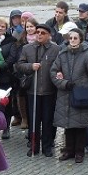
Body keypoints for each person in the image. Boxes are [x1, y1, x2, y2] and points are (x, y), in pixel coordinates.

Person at [51, 27, 88, 163]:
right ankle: (69, 150)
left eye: (75, 38)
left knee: (80, 125)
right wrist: (64, 83)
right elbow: (53, 72)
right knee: (68, 124)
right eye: (70, 38)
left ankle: (79, 152)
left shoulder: (87, 55)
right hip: (65, 94)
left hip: (81, 95)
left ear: (81, 39)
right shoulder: (62, 54)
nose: (72, 40)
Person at [15, 22, 60, 157]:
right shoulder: (27, 48)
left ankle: (47, 146)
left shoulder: (55, 49)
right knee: (34, 119)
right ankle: (34, 145)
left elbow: (60, 65)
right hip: (32, 91)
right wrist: (30, 66)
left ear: (49, 36)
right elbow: (19, 65)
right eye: (38, 32)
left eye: (43, 33)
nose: (39, 35)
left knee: (47, 120)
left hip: (49, 90)